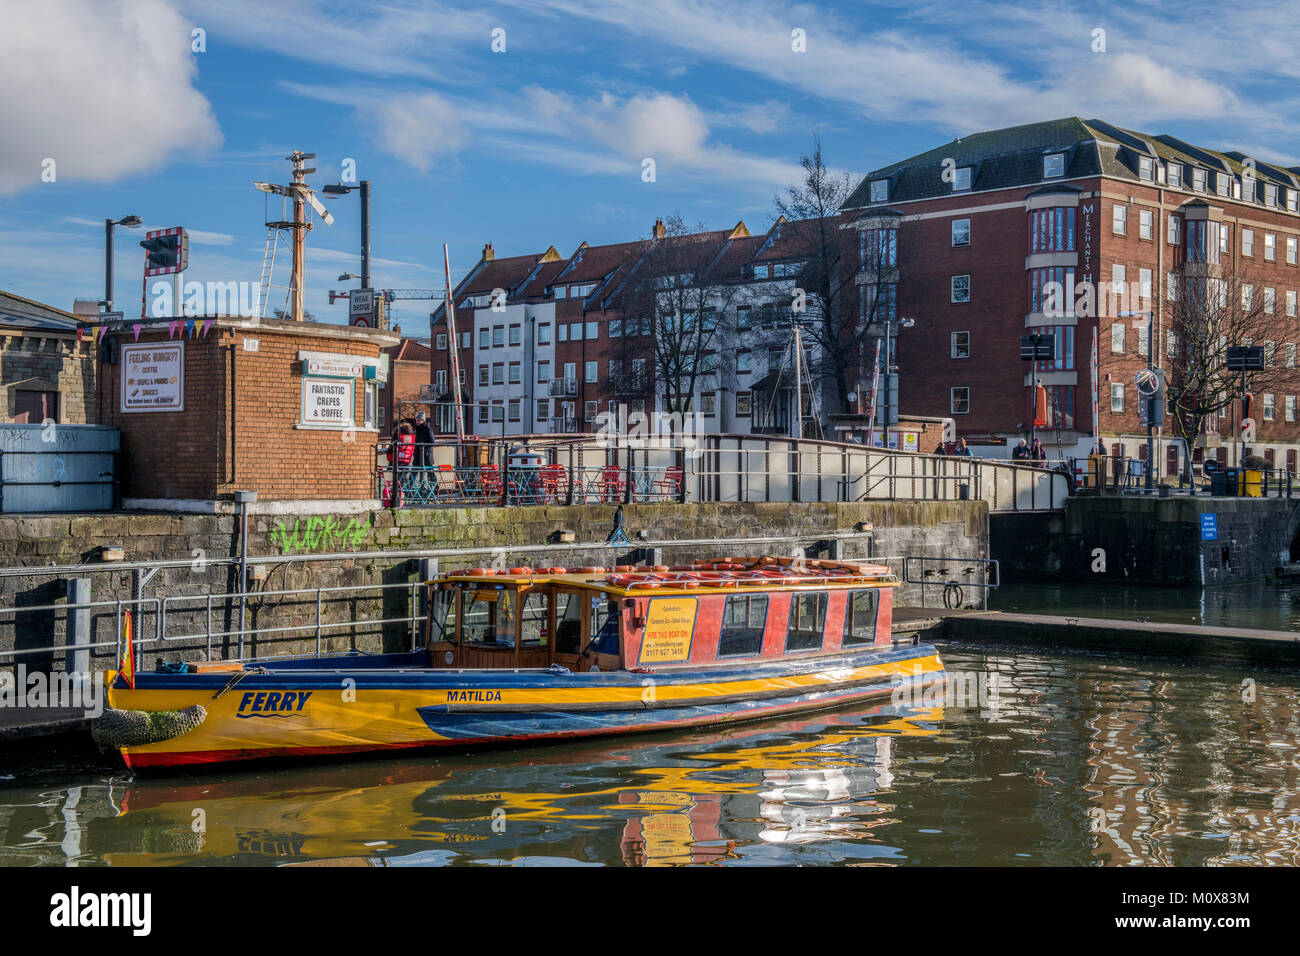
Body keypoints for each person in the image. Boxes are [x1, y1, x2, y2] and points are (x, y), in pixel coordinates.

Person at [385, 423, 415, 508]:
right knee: (404, 478)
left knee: (397, 480)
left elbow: (391, 448)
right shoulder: (412, 438)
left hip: (397, 461)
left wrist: (388, 452)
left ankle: (399, 497)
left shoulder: (397, 437)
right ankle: (410, 495)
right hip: (406, 461)